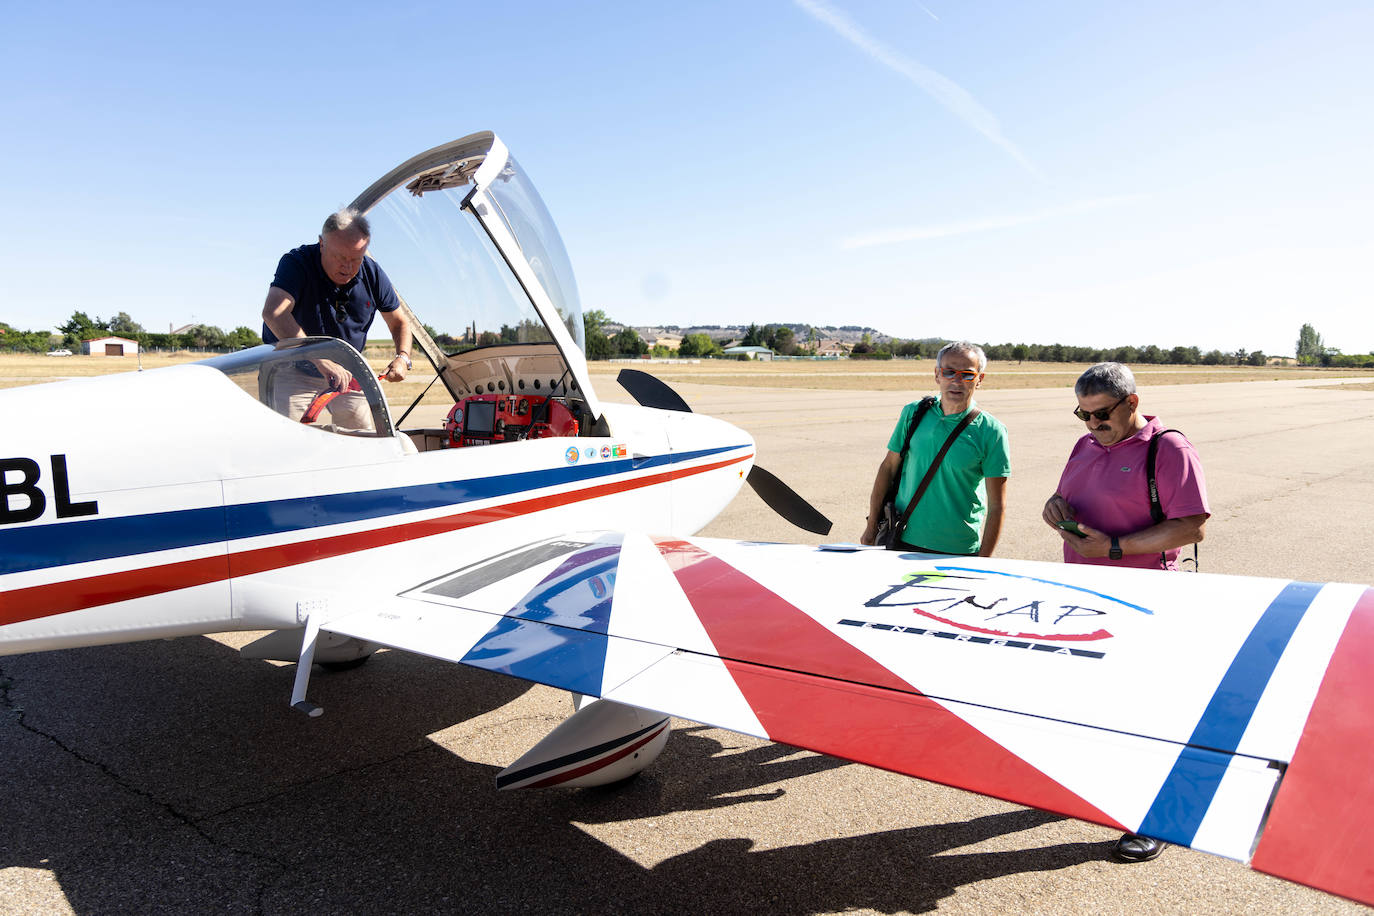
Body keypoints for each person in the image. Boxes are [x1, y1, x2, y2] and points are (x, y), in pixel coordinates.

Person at [1042, 361, 1210, 864]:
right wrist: (1055, 507)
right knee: (1095, 708)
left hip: (1144, 599)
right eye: (1083, 415)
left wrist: (1115, 548)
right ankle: (1097, 793)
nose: (1092, 425)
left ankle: (1154, 819)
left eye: (1101, 415)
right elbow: (1070, 497)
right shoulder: (1086, 444)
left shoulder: (1169, 448)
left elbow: (1192, 526)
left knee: (1148, 715)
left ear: (1132, 403)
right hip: (1085, 597)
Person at [262, 209, 412, 428]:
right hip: (290, 368)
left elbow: (399, 322)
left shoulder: (372, 273)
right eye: (340, 257)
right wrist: (320, 359)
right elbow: (274, 313)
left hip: (346, 372)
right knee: (286, 439)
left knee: (363, 437)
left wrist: (403, 357)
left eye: (356, 259)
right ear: (321, 243)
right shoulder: (297, 263)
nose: (348, 267)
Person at [860, 341, 1010, 556]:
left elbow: (997, 506)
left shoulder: (992, 431)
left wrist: (983, 561)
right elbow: (888, 468)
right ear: (937, 375)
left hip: (957, 548)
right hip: (901, 539)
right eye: (949, 372)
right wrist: (871, 526)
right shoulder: (913, 413)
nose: (956, 381)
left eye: (967, 374)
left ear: (979, 380)